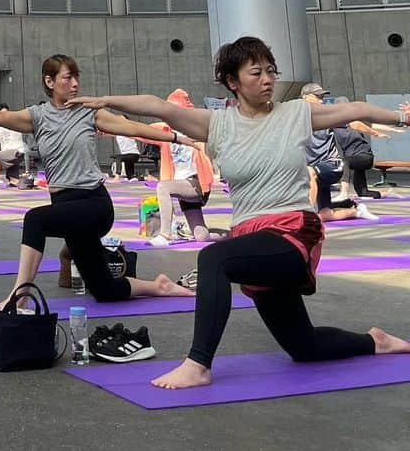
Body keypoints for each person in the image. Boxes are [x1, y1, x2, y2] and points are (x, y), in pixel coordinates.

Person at [69, 36, 410, 390]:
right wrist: (106, 100)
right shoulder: (217, 125)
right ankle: (376, 341)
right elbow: (158, 106)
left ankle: (198, 364)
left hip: (293, 231)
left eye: (270, 71)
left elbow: (356, 110)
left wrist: (401, 115)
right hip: (251, 237)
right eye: (256, 72)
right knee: (303, 346)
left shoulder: (295, 114)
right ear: (233, 81)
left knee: (214, 259)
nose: (267, 79)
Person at [0, 54, 194, 317]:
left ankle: (18, 299)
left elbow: (131, 127)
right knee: (104, 289)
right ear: (50, 82)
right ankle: (160, 286)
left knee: (35, 220)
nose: (75, 83)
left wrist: (177, 137)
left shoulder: (89, 112)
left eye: (77, 77)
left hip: (93, 205)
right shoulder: (38, 116)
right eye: (68, 77)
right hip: (66, 208)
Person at [149, 88, 218, 247]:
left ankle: (165, 235)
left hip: (195, 183)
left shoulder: (196, 128)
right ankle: (232, 236)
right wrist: (109, 129)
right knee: (202, 236)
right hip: (181, 185)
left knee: (162, 187)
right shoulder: (164, 130)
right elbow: (138, 131)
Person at [301, 83, 379, 222]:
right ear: (305, 97)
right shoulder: (296, 117)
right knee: (325, 215)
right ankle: (357, 211)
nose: (321, 100)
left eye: (322, 97)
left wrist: (377, 132)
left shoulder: (327, 115)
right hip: (316, 173)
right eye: (318, 96)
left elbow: (354, 123)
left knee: (309, 172)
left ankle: (307, 216)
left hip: (332, 165)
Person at [0, 108, 26, 187]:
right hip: (15, 153)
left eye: (6, 113)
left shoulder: (12, 124)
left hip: (16, 152)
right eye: (2, 113)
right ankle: (22, 182)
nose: (4, 115)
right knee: (13, 180)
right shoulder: (0, 126)